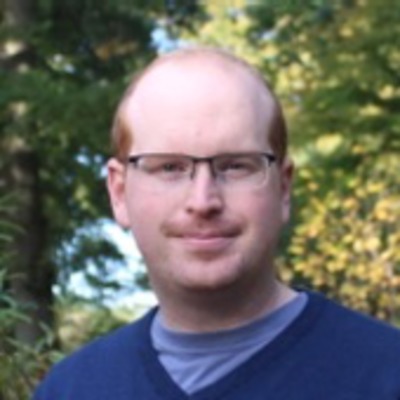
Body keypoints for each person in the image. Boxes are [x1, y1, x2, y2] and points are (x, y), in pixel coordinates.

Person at [33, 47, 400, 400]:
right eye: (169, 167)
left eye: (236, 166)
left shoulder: (387, 375)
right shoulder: (69, 391)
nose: (203, 201)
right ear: (119, 192)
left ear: (284, 188)